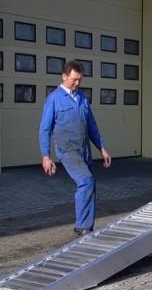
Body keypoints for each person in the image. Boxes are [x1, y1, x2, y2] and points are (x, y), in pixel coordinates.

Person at [39, 60, 112, 236]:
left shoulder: (82, 98)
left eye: (80, 79)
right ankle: (82, 226)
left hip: (84, 149)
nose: (77, 83)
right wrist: (46, 156)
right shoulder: (54, 99)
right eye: (74, 79)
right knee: (86, 181)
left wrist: (102, 147)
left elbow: (92, 126)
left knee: (91, 185)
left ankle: (88, 227)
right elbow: (44, 129)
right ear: (64, 77)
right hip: (67, 150)